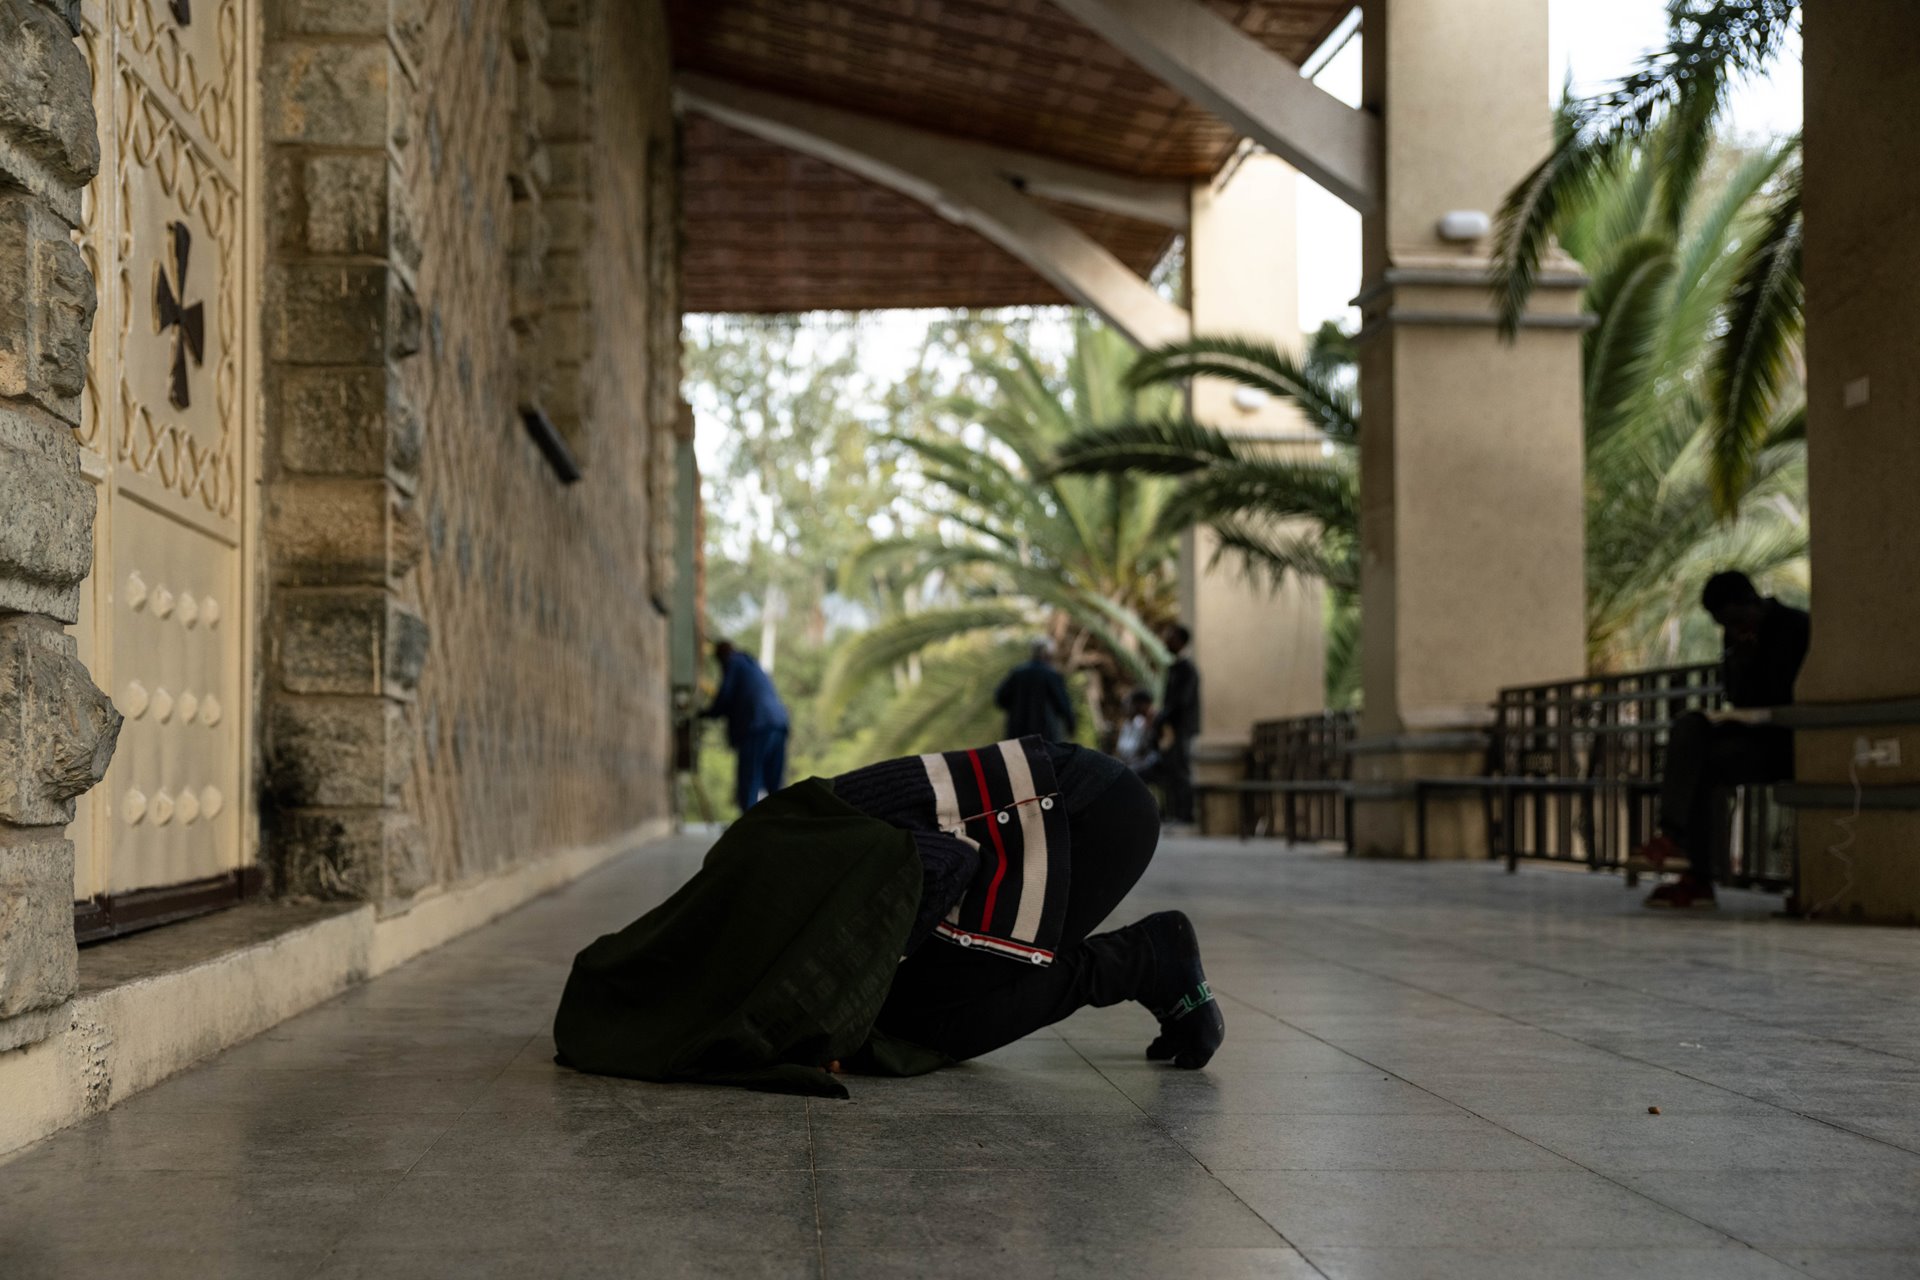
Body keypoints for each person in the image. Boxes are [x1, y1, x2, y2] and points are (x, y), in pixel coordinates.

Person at [551, 736, 1225, 1096]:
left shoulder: (785, 868)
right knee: (895, 1015)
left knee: (922, 1026)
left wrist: (846, 997)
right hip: (1063, 804)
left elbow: (941, 864)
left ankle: (1147, 957)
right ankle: (1149, 960)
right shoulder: (753, 863)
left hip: (1082, 820)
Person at [1636, 572, 1809, 909]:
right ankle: (1682, 850)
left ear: (1751, 603)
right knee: (1691, 733)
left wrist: (1754, 656)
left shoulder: (1795, 627)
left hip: (1790, 738)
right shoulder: (1735, 638)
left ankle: (1683, 853)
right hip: (1755, 731)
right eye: (1723, 625)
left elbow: (1785, 690)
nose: (1730, 629)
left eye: (1734, 620)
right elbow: (1736, 695)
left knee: (1703, 762)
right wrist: (1741, 659)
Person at [700, 639, 790, 816]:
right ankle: (780, 825)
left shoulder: (733, 663)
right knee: (775, 783)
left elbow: (725, 696)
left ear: (721, 656)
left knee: (749, 780)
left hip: (758, 724)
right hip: (779, 723)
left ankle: (747, 828)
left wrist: (705, 713)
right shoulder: (751, 664)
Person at [1142, 623, 1200, 825]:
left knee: (1180, 770)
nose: (1166, 641)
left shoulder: (1187, 669)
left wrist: (1162, 716)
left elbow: (1180, 701)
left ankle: (1186, 814)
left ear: (1181, 641)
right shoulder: (1175, 668)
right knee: (1171, 770)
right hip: (1172, 729)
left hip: (1181, 728)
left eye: (1171, 637)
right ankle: (1175, 812)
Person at [994, 637, 1076, 741]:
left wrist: (1017, 708)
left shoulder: (1017, 673)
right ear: (1047, 654)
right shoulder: (1051, 675)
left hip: (1017, 735)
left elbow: (999, 698)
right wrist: (1071, 725)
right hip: (1045, 737)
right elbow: (1063, 704)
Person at [1114, 689, 1158, 771]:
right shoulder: (1128, 724)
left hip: (1140, 763)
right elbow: (1122, 748)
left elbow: (1135, 748)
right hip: (1129, 762)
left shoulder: (1142, 722)